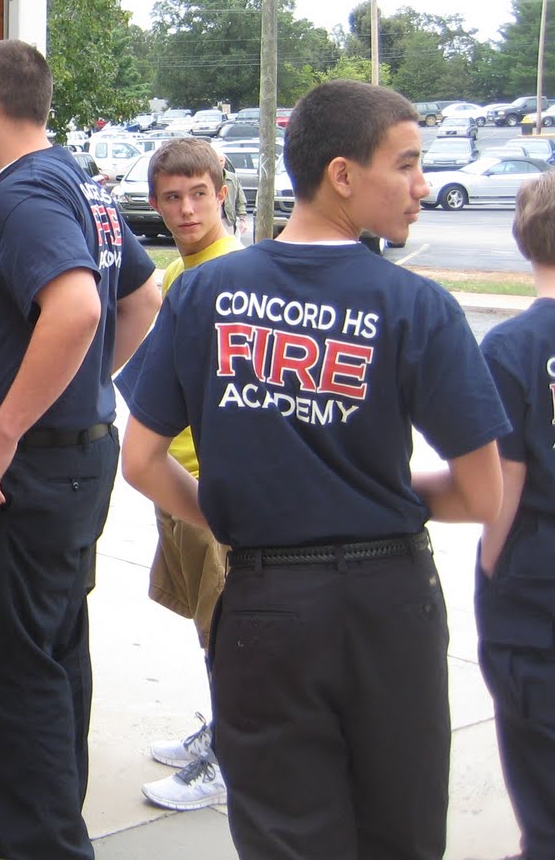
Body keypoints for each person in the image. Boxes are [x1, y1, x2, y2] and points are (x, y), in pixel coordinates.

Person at [118, 79, 505, 860]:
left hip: (264, 604)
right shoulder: (417, 307)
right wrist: (383, 498)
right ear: (342, 174)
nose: (422, 186)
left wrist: (228, 514)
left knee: (285, 836)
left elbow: (140, 459)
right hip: (389, 605)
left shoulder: (205, 294)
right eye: (407, 164)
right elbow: (481, 492)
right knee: (398, 831)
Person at [0, 40, 160, 860]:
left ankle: (45, 844)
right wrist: (74, 394)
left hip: (25, 475)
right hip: (75, 461)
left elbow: (75, 311)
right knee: (55, 645)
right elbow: (141, 298)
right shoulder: (85, 187)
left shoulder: (24, 195)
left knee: (13, 667)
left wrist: (5, 435)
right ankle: (40, 823)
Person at [135, 137, 240, 812]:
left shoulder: (231, 271)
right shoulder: (180, 273)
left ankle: (231, 759)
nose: (186, 208)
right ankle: (223, 731)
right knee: (208, 627)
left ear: (221, 194)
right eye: (172, 197)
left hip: (212, 488)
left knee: (229, 630)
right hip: (176, 474)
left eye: (199, 193)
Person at [477, 171, 555, 860]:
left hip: (536, 583)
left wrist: (489, 568)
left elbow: (505, 480)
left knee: (541, 767)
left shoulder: (512, 349)